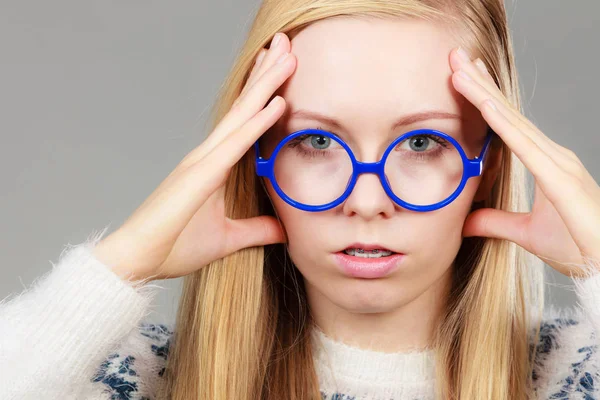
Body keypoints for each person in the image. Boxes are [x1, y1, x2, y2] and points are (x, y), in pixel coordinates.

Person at [1, 0, 600, 399]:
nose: (367, 201)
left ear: (487, 160)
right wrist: (118, 268)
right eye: (316, 140)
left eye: (421, 141)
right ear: (252, 160)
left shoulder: (574, 374)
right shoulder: (133, 377)